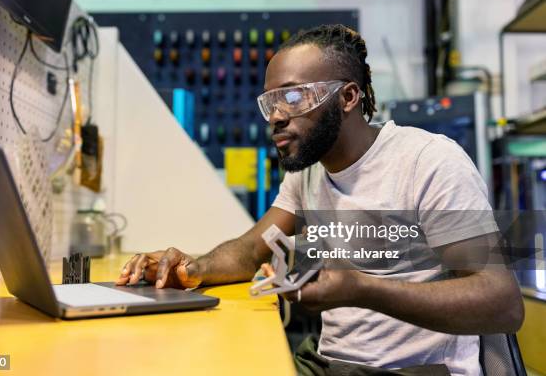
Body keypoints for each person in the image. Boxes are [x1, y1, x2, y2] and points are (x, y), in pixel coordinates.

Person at [116, 24, 524, 375]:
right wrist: (192, 267)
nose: (276, 116)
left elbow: (502, 304)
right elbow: (250, 250)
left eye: (293, 98)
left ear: (348, 98)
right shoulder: (310, 169)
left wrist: (361, 289)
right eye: (270, 102)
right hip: (332, 364)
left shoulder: (428, 161)